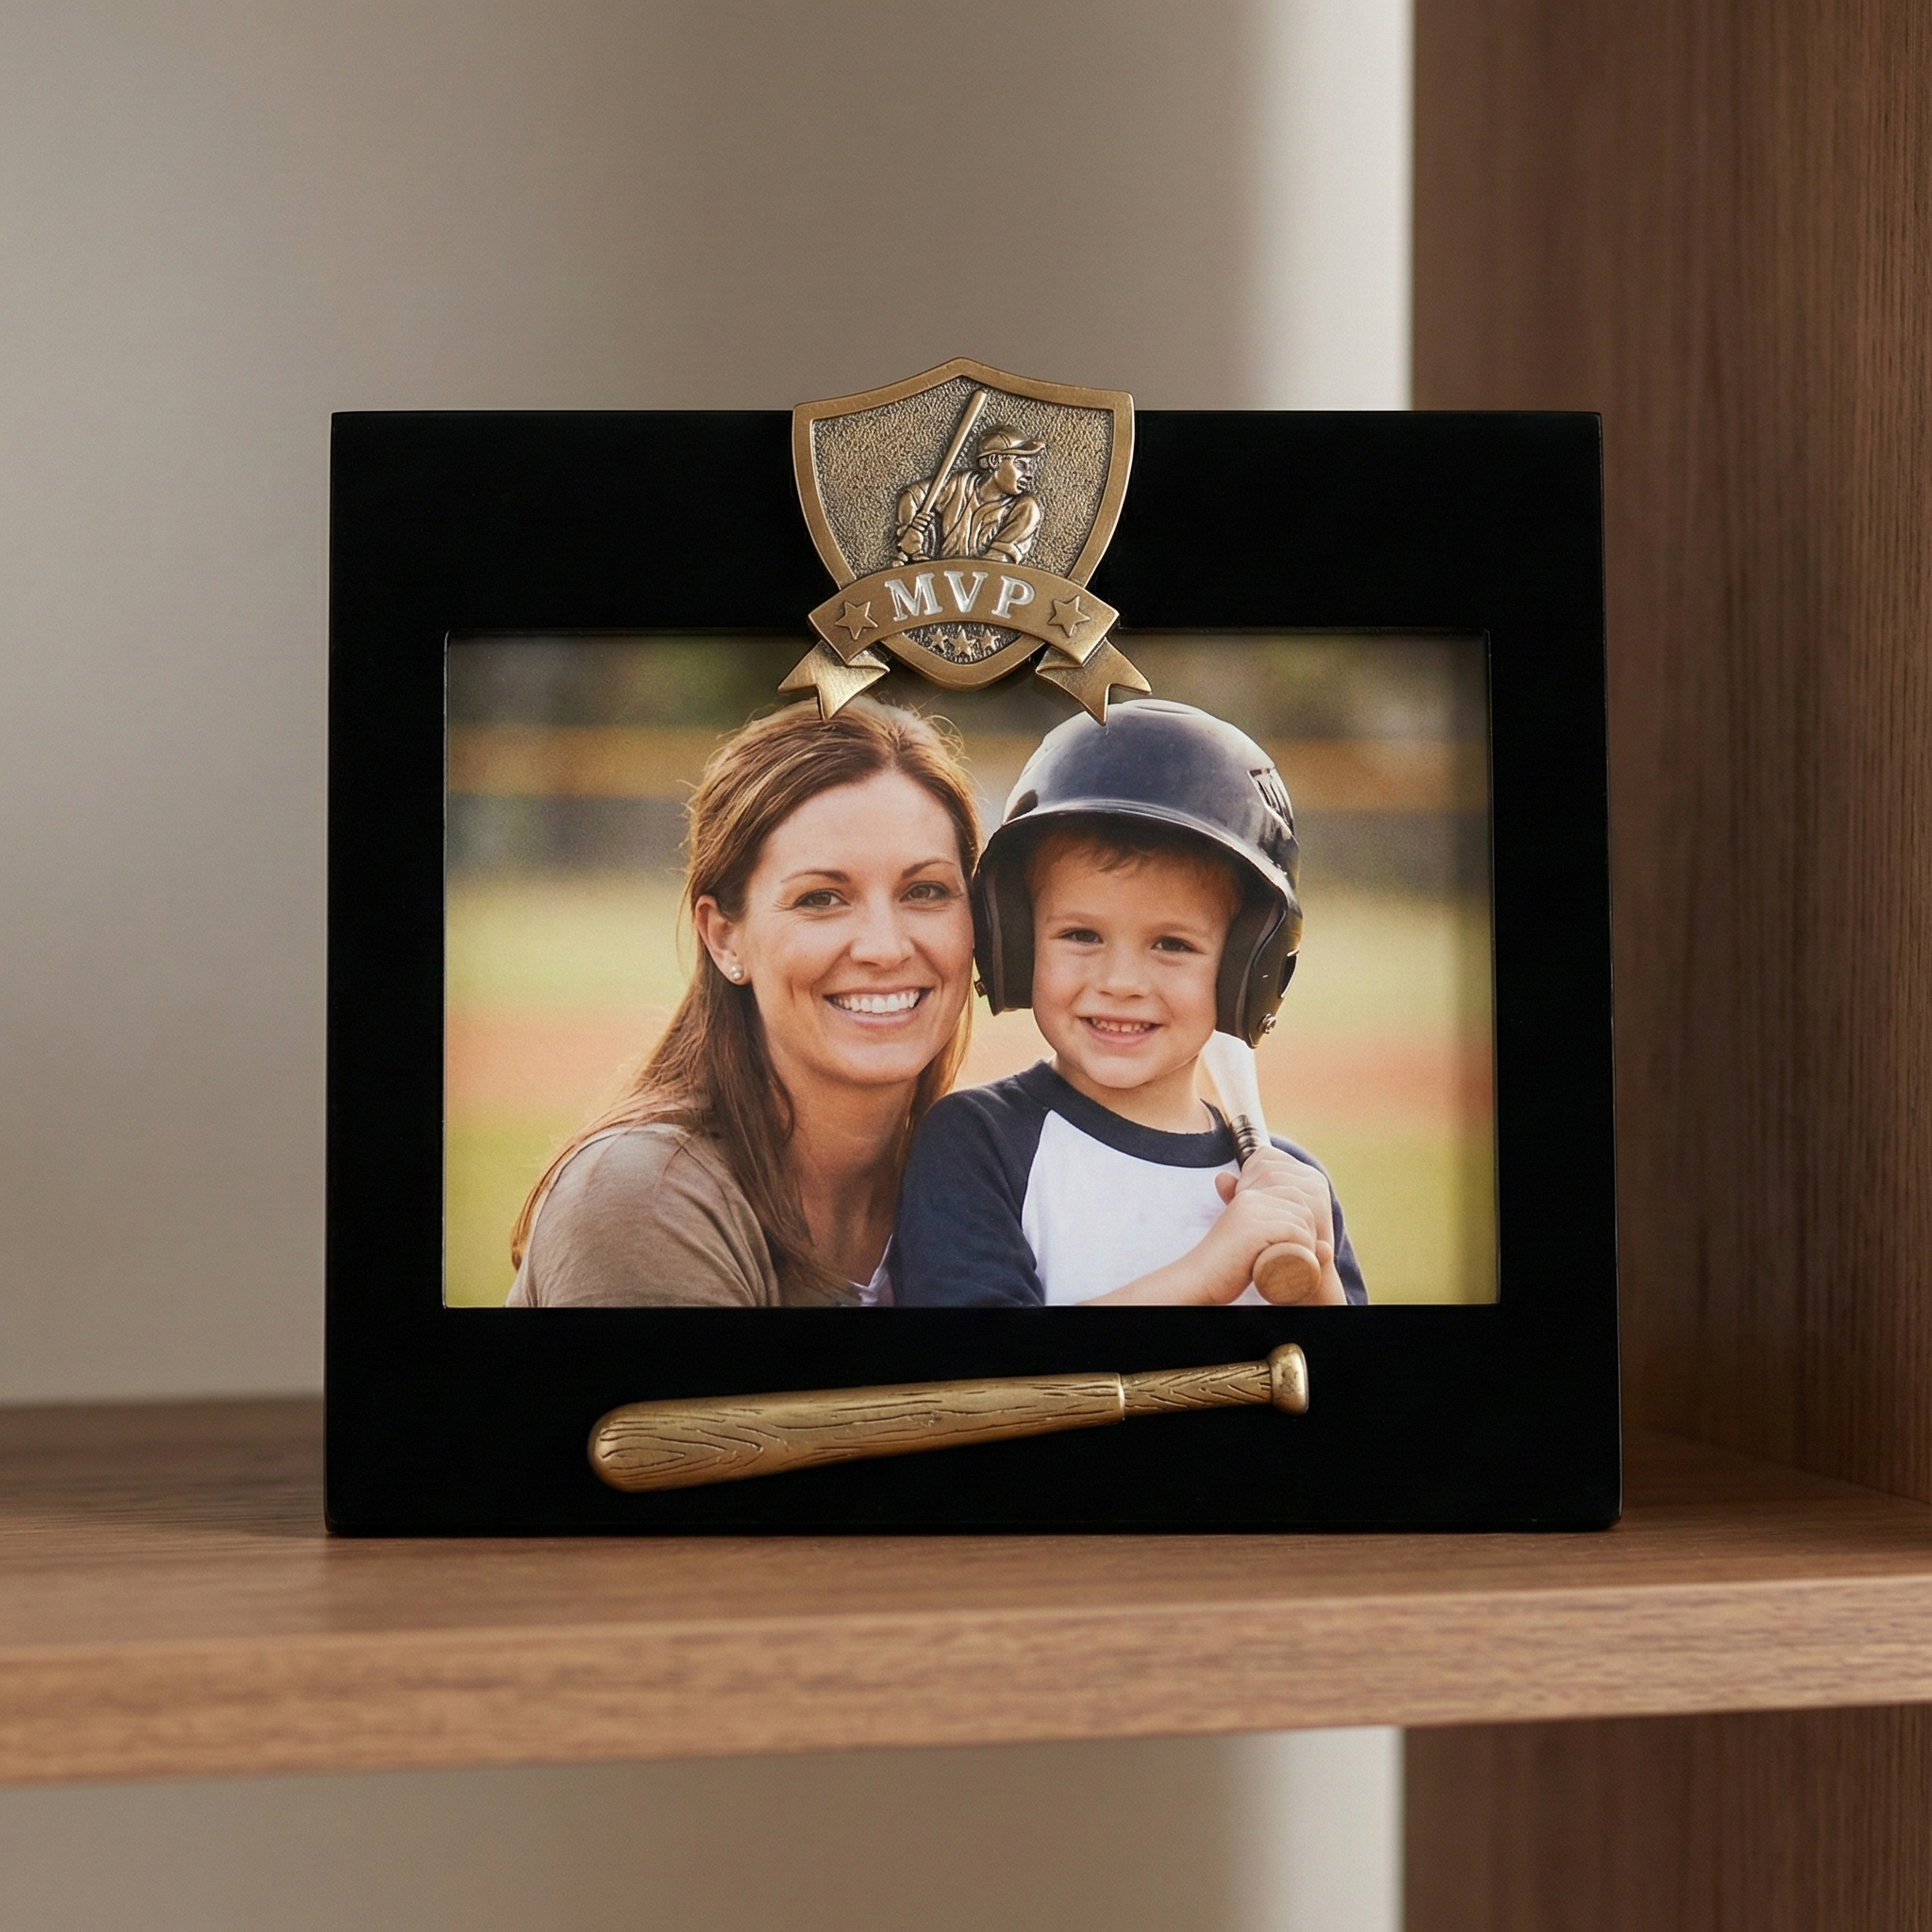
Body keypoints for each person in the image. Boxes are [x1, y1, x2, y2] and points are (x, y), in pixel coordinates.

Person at [891, 699, 1367, 1307]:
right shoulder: (978, 1144)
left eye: (1172, 944)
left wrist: (1319, 1289)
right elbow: (994, 1392)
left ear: (1247, 968)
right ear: (1015, 940)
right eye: (1081, 935)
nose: (1121, 981)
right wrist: (1210, 1272)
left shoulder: (1288, 1185)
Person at [508, 699, 980, 1307]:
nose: (885, 948)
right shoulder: (643, 1197)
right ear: (724, 936)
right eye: (821, 898)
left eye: (926, 891)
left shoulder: (982, 1181)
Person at [894, 427, 1045, 566]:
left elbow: (995, 564)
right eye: (1020, 465)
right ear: (994, 461)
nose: (1029, 475)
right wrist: (908, 530)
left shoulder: (1026, 508)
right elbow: (912, 496)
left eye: (1029, 467)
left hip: (981, 585)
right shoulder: (959, 484)